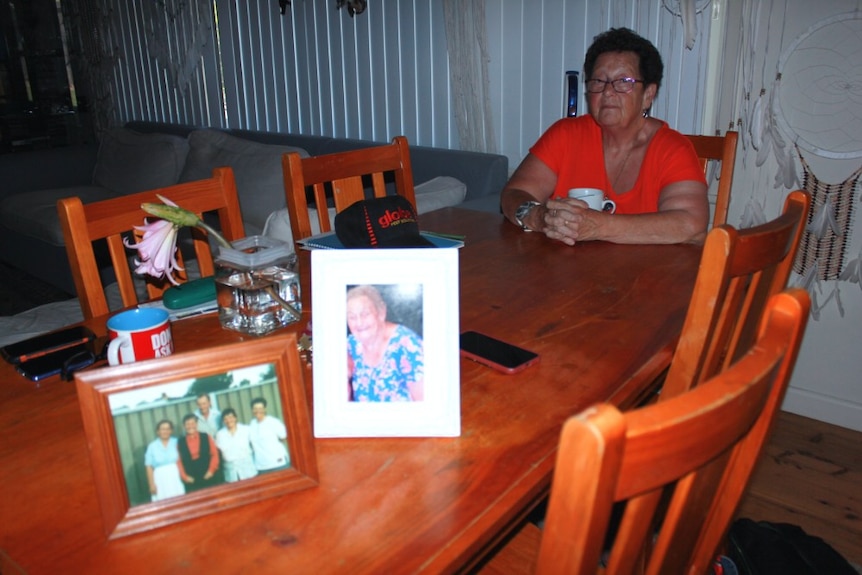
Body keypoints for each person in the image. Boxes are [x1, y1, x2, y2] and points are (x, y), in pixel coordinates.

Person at [502, 27, 708, 246]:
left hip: (643, 275)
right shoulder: (565, 134)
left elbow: (690, 223)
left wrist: (598, 226)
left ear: (648, 95)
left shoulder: (672, 149)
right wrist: (540, 218)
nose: (608, 92)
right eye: (598, 81)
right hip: (567, 271)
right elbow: (515, 192)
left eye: (623, 82)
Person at [346, 285, 424, 402]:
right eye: (352, 317)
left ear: (381, 312)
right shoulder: (352, 344)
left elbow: (426, 407)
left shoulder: (407, 346)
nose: (359, 322)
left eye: (365, 314)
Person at [177, 413, 222, 492]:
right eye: (187, 424)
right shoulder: (180, 442)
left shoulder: (205, 436)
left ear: (196, 424)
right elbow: (178, 461)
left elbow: (214, 454)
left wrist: (211, 471)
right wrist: (185, 477)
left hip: (208, 475)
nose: (190, 426)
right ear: (184, 426)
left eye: (193, 423)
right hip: (191, 479)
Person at [144, 419, 185, 502]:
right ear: (158, 431)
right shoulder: (152, 446)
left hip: (175, 476)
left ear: (171, 431)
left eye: (168, 429)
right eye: (162, 429)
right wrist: (151, 485)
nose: (165, 431)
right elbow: (148, 467)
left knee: (179, 500)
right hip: (160, 479)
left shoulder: (177, 442)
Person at [215, 408, 258, 482]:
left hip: (248, 469)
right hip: (230, 471)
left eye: (231, 417)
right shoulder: (220, 434)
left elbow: (255, 446)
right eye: (225, 419)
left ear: (235, 418)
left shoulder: (246, 429)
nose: (228, 421)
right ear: (223, 421)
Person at [248, 397, 290, 473]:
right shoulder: (252, 424)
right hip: (261, 467)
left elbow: (284, 437)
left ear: (265, 409)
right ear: (252, 410)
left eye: (260, 408)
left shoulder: (273, 422)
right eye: (255, 408)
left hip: (278, 464)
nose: (258, 411)